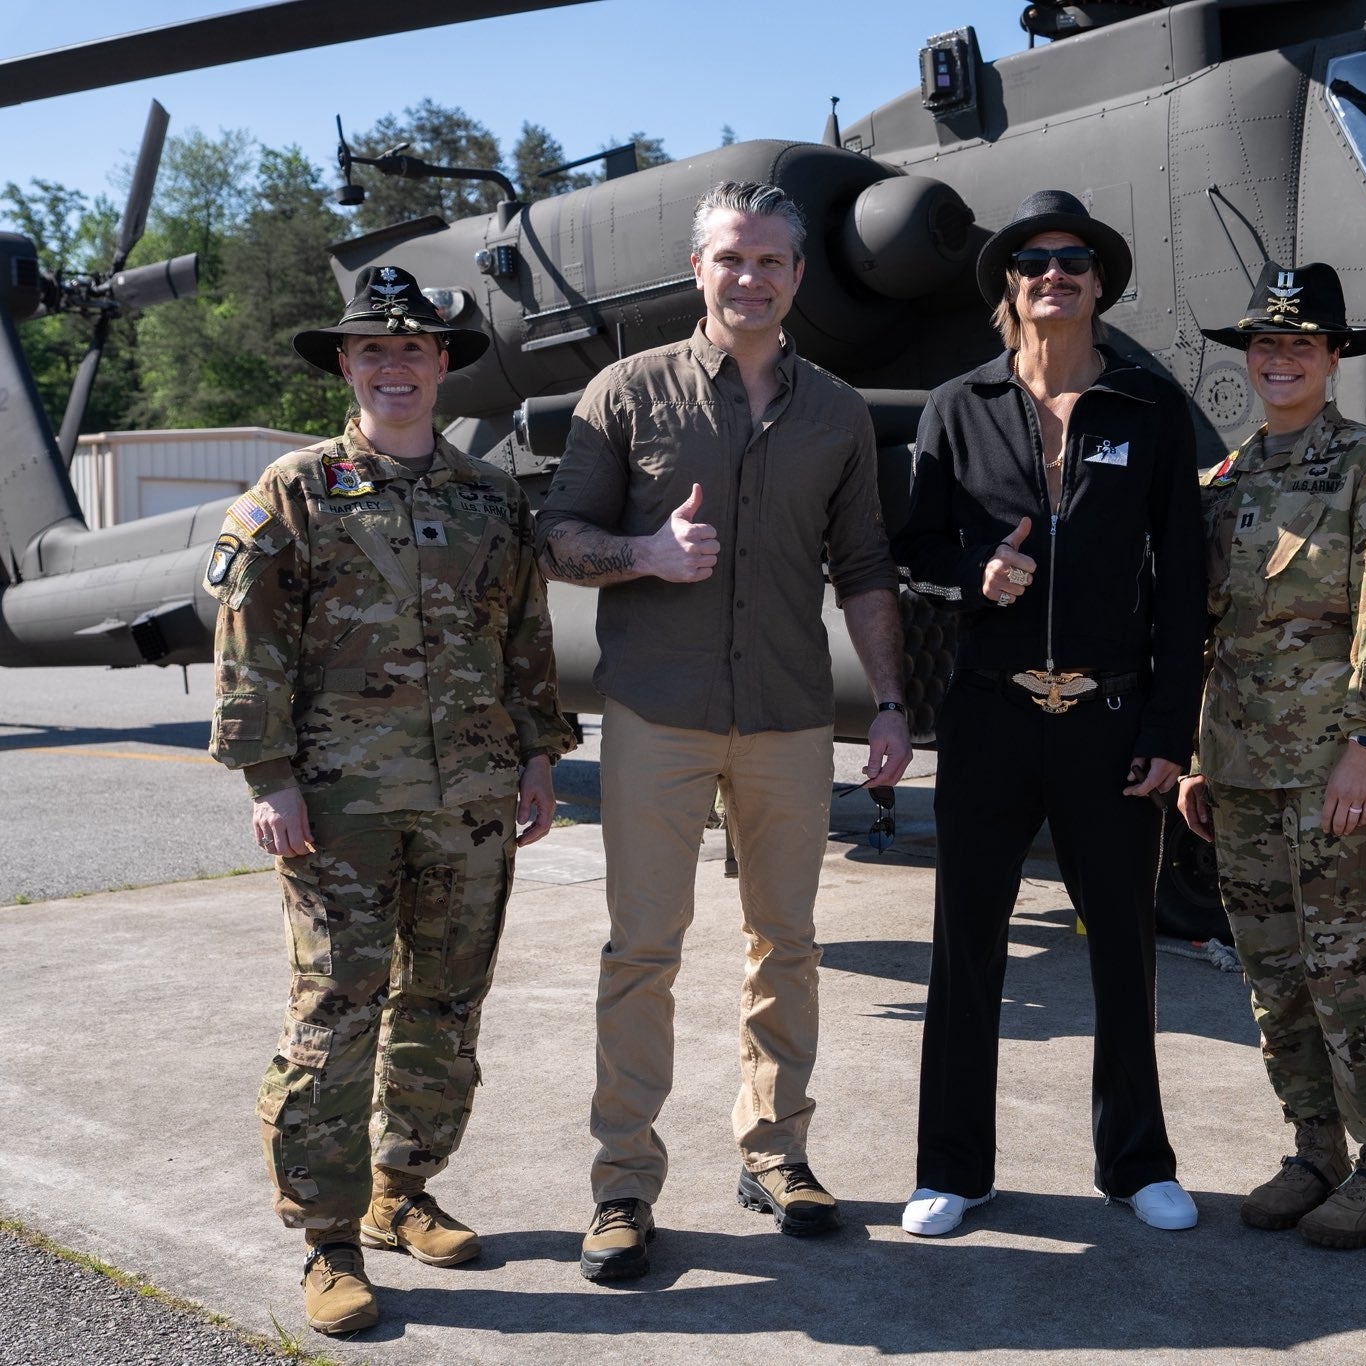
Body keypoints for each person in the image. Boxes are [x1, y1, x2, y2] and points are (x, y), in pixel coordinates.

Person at [536, 180, 911, 1278]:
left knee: (786, 945)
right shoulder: (626, 392)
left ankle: (776, 1151)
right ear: (696, 269)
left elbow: (865, 566)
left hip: (789, 717)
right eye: (731, 259)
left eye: (771, 261)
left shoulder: (835, 411)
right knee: (642, 951)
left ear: (797, 276)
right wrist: (645, 555)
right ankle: (622, 1182)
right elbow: (558, 536)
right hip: (659, 712)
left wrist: (891, 702)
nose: (750, 278)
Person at [206, 265, 573, 1336]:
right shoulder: (296, 489)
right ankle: (326, 1240)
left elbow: (524, 636)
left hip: (471, 798)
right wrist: (268, 776)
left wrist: (538, 755)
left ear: (443, 363)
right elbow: (249, 641)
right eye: (373, 348)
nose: (394, 365)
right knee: (335, 1013)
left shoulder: (491, 496)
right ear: (346, 367)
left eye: (412, 347)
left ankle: (400, 1189)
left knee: (445, 1006)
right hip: (339, 806)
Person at [891, 189, 1206, 1237]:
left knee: (1123, 949)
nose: (1053, 275)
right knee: (965, 947)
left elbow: (1184, 582)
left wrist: (1168, 730)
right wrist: (973, 573)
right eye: (1032, 262)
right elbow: (916, 550)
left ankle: (1136, 1164)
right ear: (1009, 286)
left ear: (1099, 282)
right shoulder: (957, 406)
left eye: (1074, 258)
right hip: (991, 716)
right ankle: (952, 1168)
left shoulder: (1147, 409)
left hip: (1110, 721)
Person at [1176, 263, 1366, 1248]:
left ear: (1331, 358)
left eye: (1299, 343)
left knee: (1346, 969)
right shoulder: (1227, 480)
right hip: (1240, 767)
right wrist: (1196, 757)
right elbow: (1210, 633)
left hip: (1336, 769)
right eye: (1265, 343)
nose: (1279, 358)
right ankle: (1315, 1147)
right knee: (1273, 971)